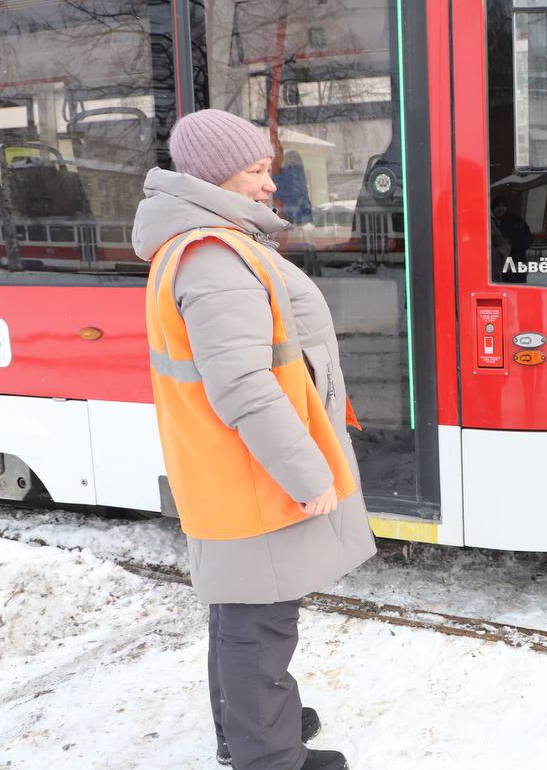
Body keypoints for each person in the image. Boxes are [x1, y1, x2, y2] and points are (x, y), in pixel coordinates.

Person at [132, 109, 376, 770]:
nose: (273, 185)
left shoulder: (206, 243)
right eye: (259, 171)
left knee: (242, 611)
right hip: (253, 473)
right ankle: (269, 755)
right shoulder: (211, 256)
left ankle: (247, 727)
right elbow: (243, 385)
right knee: (260, 621)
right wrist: (310, 473)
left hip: (231, 467)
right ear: (217, 176)